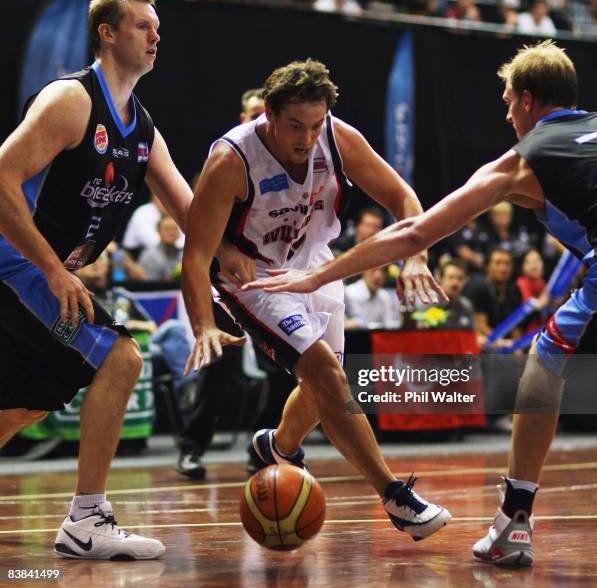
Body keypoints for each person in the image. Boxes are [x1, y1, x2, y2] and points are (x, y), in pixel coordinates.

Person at [246, 40, 597, 566]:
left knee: (542, 371)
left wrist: (318, 274)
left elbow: (413, 232)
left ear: (527, 100)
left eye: (507, 101)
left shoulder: (523, 159)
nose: (505, 113)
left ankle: (515, 520)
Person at [182, 59, 451, 541]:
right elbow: (196, 252)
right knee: (326, 375)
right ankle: (394, 495)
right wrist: (202, 321)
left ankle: (278, 447)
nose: (306, 138)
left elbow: (404, 198)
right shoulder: (231, 159)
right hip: (257, 277)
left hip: (318, 266)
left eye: (315, 124)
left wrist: (416, 258)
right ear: (266, 113)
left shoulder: (337, 137)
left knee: (324, 389)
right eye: (294, 126)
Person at [0, 0, 199, 561]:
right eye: (142, 25)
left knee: (24, 405)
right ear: (107, 33)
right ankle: (87, 519)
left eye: (157, 27)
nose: (155, 34)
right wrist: (52, 270)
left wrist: (244, 259)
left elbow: (191, 214)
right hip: (16, 267)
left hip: (38, 274)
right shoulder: (72, 100)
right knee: (121, 357)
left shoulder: (142, 128)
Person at [138, 214, 183, 280]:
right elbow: (149, 284)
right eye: (167, 229)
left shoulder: (184, 255)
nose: (171, 233)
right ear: (158, 231)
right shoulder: (150, 256)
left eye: (174, 229)